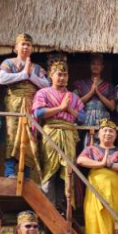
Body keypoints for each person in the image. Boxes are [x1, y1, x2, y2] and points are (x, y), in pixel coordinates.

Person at [33, 60, 84, 209]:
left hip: (68, 134)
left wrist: (69, 110)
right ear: (51, 75)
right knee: (50, 168)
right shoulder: (43, 92)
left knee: (67, 170)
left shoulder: (73, 97)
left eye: (65, 75)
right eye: (59, 74)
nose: (62, 78)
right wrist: (61, 107)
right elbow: (39, 112)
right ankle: (48, 206)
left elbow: (82, 117)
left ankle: (63, 206)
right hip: (51, 132)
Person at [76, 119, 118, 234]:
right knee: (93, 218)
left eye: (111, 131)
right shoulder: (91, 149)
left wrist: (111, 165)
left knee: (112, 219)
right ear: (98, 134)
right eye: (105, 130)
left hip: (114, 190)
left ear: (115, 135)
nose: (108, 133)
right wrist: (100, 164)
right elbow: (80, 160)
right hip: (94, 190)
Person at [0, 33, 49, 180]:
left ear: (32, 48)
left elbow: (46, 84)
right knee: (12, 135)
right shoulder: (9, 62)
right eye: (23, 44)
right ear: (16, 47)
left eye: (28, 44)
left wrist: (30, 75)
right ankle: (10, 171)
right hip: (14, 102)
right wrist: (23, 74)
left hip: (32, 103)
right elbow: (2, 78)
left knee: (30, 137)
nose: (25, 47)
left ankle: (26, 173)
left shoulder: (36, 68)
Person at [74, 53, 117, 147]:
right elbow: (75, 104)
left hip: (103, 117)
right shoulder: (81, 84)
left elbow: (112, 107)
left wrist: (98, 93)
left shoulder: (109, 86)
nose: (96, 66)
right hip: (86, 117)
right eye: (93, 63)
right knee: (85, 141)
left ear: (102, 67)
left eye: (98, 64)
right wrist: (90, 93)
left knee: (101, 141)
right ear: (89, 66)